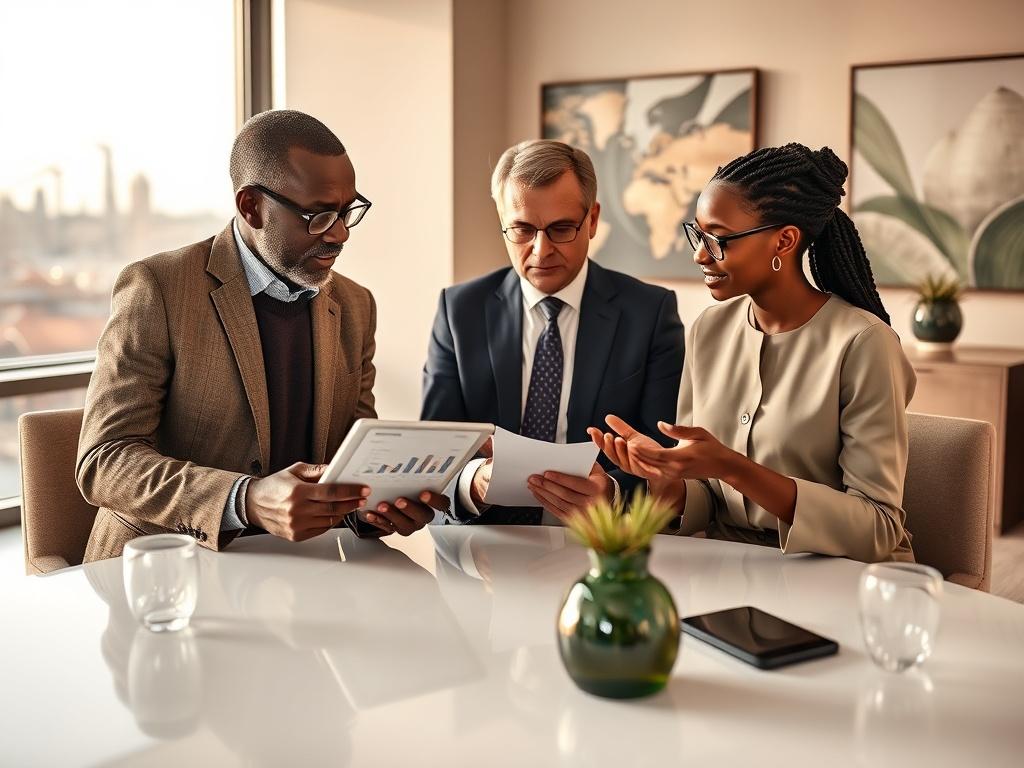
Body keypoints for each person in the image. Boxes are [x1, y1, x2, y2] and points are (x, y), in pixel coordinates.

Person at [78, 109, 443, 562]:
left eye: (348, 211)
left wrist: (370, 508)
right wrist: (244, 499)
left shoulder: (355, 305)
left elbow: (350, 449)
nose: (342, 233)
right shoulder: (159, 288)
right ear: (251, 206)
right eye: (319, 216)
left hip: (305, 574)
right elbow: (104, 461)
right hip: (167, 572)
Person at [590, 143, 916, 563]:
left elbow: (878, 528)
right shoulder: (708, 330)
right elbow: (706, 496)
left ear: (784, 240)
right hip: (729, 570)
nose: (699, 254)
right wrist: (661, 479)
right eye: (698, 234)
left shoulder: (864, 343)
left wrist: (731, 466)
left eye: (719, 239)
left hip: (844, 578)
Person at [422, 140, 685, 524]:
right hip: (479, 547)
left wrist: (610, 494)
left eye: (561, 228)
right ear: (502, 224)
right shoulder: (459, 310)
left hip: (602, 546)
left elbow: (664, 455)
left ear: (592, 220)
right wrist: (473, 483)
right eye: (522, 230)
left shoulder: (650, 313)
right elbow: (434, 451)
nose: (541, 251)